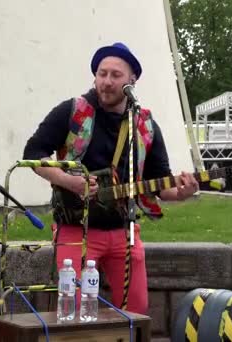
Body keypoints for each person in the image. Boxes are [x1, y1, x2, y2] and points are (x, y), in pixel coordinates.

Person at [22, 42, 199, 314]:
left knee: (136, 311)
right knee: (75, 311)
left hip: (123, 231)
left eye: (115, 75)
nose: (106, 82)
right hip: (75, 228)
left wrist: (183, 192)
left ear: (132, 80)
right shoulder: (72, 112)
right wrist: (68, 181)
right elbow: (33, 153)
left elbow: (161, 185)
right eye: (101, 74)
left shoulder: (146, 125)